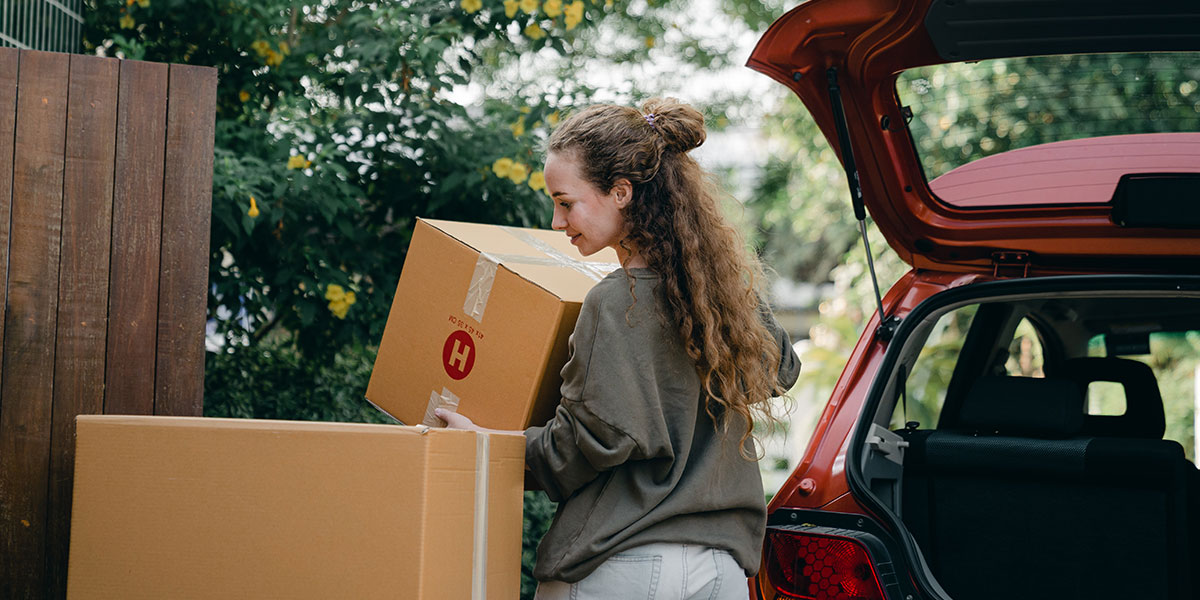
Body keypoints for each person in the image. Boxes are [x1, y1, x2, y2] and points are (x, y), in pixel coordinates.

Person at [436, 97, 801, 600]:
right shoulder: (719, 301)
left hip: (626, 563)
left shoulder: (615, 301)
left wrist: (487, 445)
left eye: (566, 202)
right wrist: (731, 287)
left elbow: (593, 441)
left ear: (622, 192)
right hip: (722, 572)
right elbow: (782, 368)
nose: (557, 222)